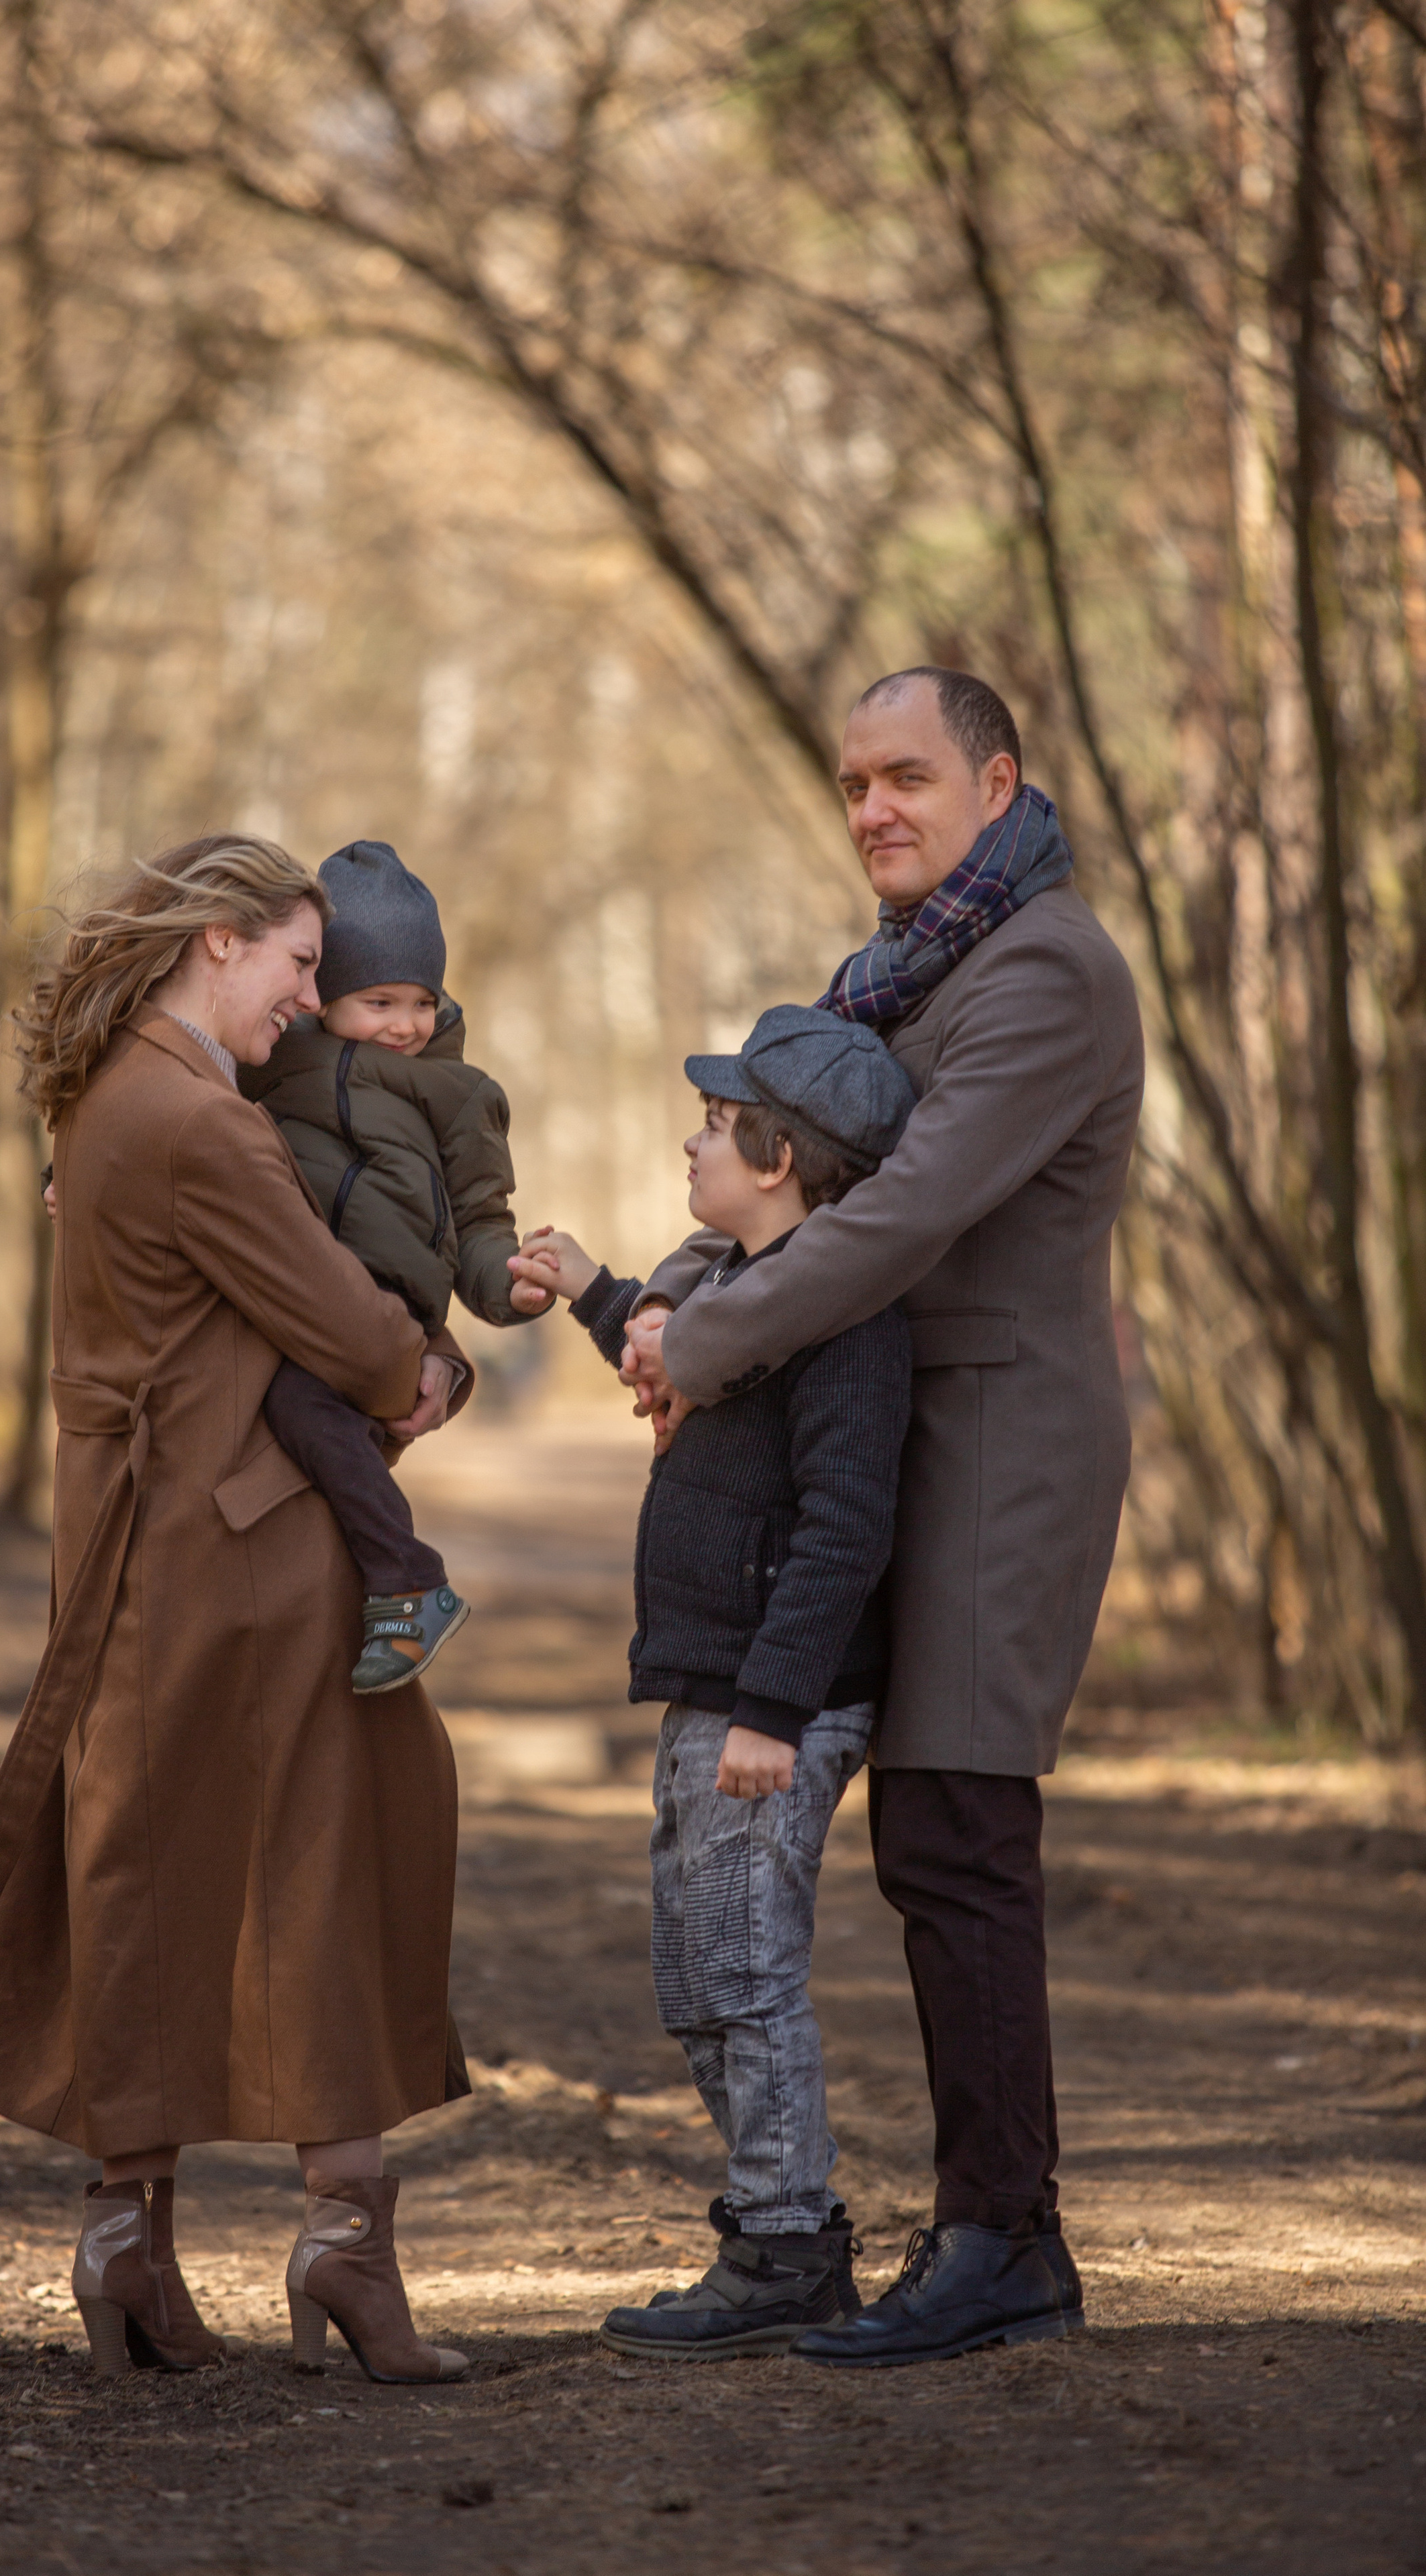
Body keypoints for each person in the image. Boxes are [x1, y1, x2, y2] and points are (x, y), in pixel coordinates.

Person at [0, 834, 474, 2386]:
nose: (311, 993)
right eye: (296, 961)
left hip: (149, 1541)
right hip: (243, 1545)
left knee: (142, 1865)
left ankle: (125, 2235)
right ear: (217, 942)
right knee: (320, 1865)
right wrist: (428, 1361)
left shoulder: (112, 1092)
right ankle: (344, 2240)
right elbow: (347, 1331)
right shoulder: (197, 1120)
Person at [622, 668, 1144, 2368]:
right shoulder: (913, 970)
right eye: (851, 783)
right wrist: (672, 1297)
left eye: (905, 776)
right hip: (899, 1434)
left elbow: (905, 1212)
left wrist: (702, 1341)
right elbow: (805, 1177)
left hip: (1001, 1439)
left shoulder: (1044, 970)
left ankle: (1003, 2237)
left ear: (997, 779)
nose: (871, 809)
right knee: (925, 1838)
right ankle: (960, 2226)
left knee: (954, 1833)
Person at [509, 1005, 913, 2357]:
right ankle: (769, 2224)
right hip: (710, 1694)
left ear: (778, 1157)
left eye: (712, 1126)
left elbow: (843, 1526)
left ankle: (786, 2242)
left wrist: (772, 1713)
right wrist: (590, 1291)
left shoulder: (843, 1321)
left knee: (745, 1976)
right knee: (692, 1982)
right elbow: (684, 1359)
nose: (690, 1141)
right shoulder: (744, 1298)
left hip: (765, 1707)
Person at [241, 839, 552, 1694]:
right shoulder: (264, 1065)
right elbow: (171, 1127)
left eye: (422, 1001)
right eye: (378, 1001)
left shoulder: (456, 1094)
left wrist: (508, 1286)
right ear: (319, 997)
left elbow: (483, 1217)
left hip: (390, 1304)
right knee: (300, 1453)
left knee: (303, 1410)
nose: (406, 1024)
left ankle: (407, 1580)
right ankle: (378, 1593)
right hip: (295, 1292)